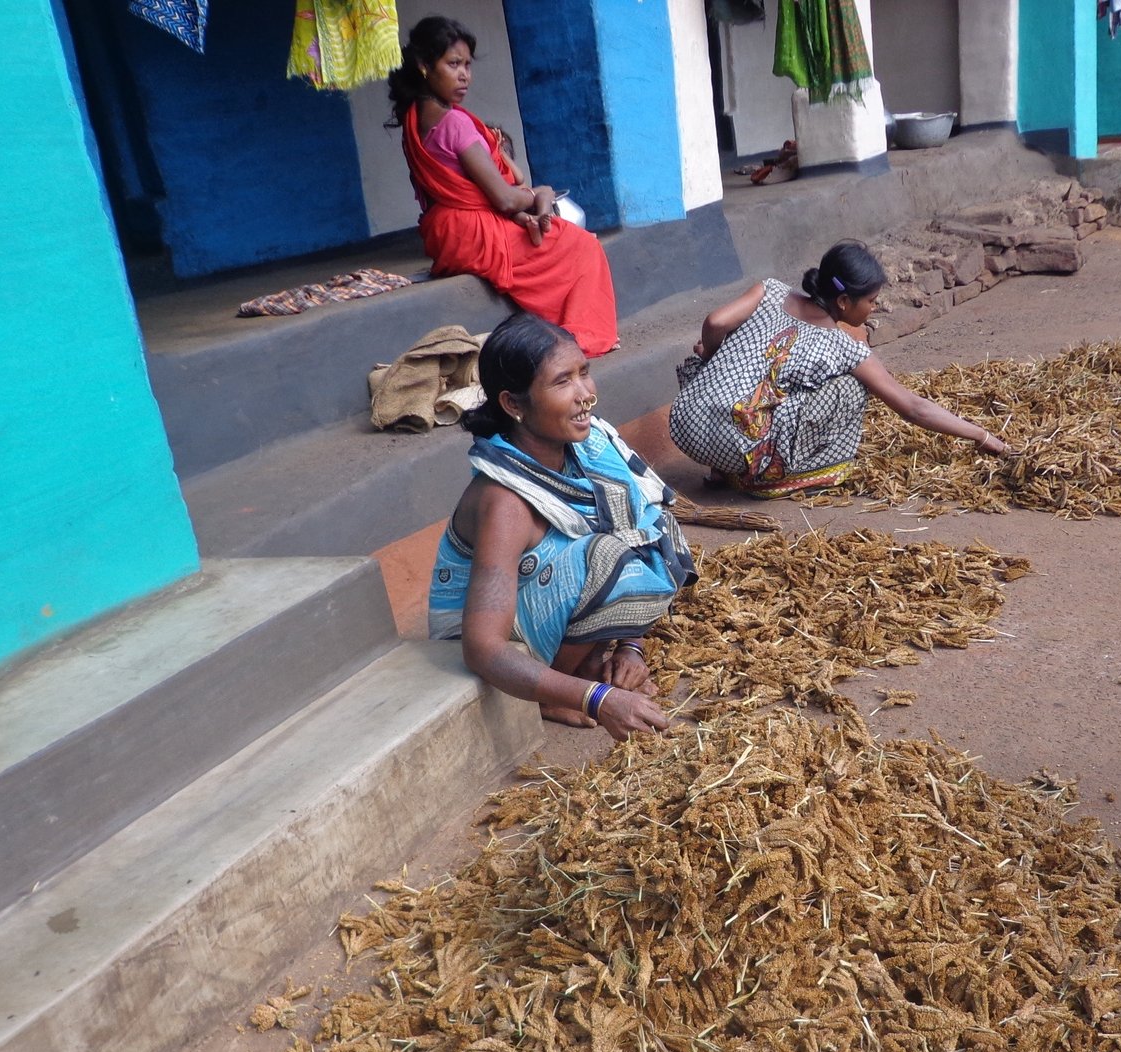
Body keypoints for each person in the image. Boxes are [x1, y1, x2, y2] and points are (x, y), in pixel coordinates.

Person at [427, 315, 689, 737]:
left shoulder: (587, 449)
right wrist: (598, 699)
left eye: (585, 372)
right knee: (607, 558)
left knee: (651, 527)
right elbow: (483, 647)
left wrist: (631, 645)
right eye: (562, 381)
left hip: (549, 602)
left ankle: (587, 659)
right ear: (513, 404)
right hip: (501, 637)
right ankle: (554, 690)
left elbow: (643, 530)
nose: (586, 395)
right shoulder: (505, 502)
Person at [668, 242, 1009, 499]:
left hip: (685, 423)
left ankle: (718, 469)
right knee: (848, 387)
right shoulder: (845, 347)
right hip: (741, 449)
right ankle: (757, 476)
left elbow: (715, 321)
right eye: (872, 300)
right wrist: (980, 434)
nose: (874, 307)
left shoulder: (770, 291)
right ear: (844, 302)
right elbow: (912, 407)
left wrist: (714, 357)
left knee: (730, 365)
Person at [387, 17, 619, 357]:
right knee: (583, 246)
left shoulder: (414, 120)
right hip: (474, 234)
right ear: (424, 66)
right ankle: (580, 336)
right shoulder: (454, 122)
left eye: (467, 65)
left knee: (549, 234)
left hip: (444, 233)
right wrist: (540, 195)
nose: (465, 74)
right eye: (453, 64)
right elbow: (505, 199)